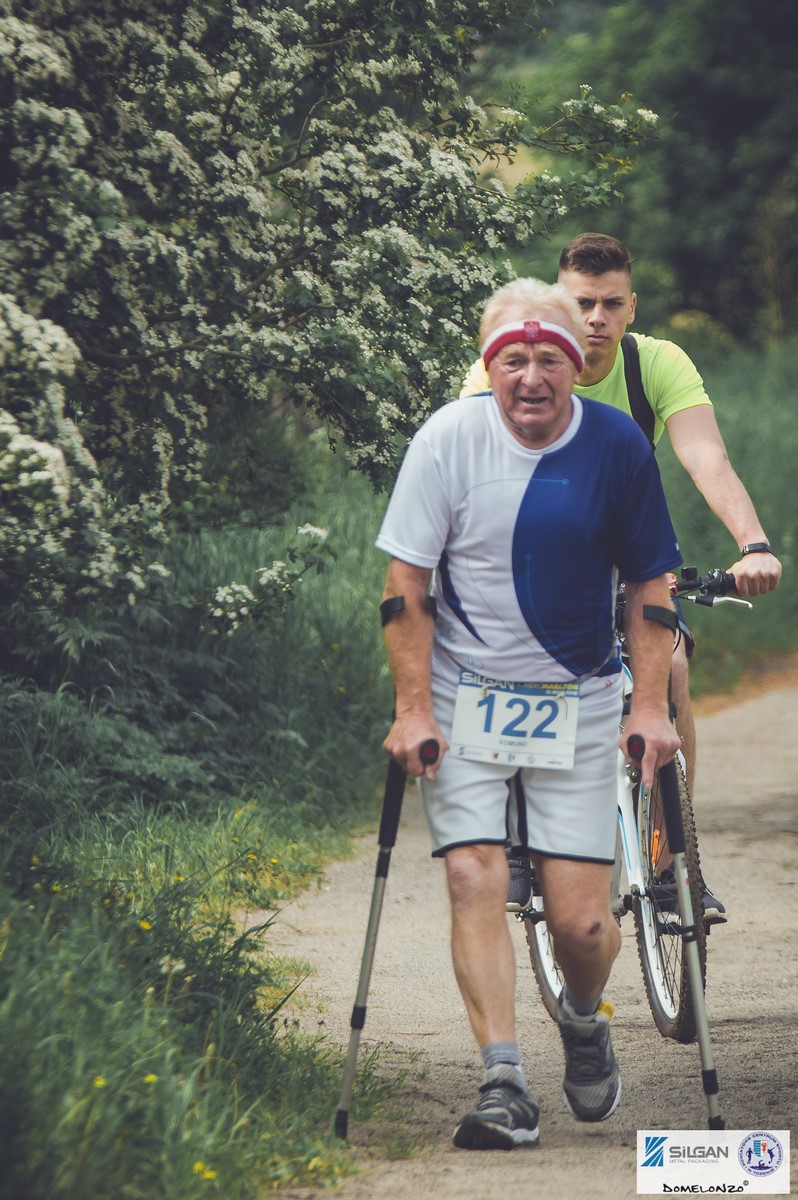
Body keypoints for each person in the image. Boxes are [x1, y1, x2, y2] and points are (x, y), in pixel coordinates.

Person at [376, 278, 682, 1149]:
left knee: (583, 924)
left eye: (550, 357)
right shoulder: (446, 440)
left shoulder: (616, 447)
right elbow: (405, 584)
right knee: (472, 877)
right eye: (513, 359)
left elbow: (651, 584)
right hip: (464, 697)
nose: (532, 376)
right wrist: (412, 709)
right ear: (490, 366)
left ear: (578, 365)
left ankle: (584, 1019)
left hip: (578, 701)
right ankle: (503, 1081)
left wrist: (650, 706)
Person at [461, 234, 782, 919]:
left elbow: (706, 456)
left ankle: (670, 868)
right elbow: (468, 467)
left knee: (672, 671)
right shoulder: (511, 367)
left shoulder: (656, 365)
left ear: (632, 307)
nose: (597, 318)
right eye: (583, 303)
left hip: (626, 557)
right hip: (528, 554)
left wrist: (752, 544)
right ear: (559, 303)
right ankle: (516, 840)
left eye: (611, 304)